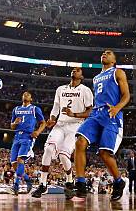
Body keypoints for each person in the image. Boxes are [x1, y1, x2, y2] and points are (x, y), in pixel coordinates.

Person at [73, 49, 131, 202]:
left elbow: (126, 95)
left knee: (105, 154)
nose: (105, 54)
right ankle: (80, 183)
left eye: (109, 53)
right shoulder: (96, 78)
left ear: (114, 60)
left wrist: (117, 108)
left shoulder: (118, 72)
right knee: (80, 142)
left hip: (111, 115)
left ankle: (119, 181)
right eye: (103, 53)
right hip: (96, 114)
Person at [31, 67, 93, 199]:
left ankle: (70, 181)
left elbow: (90, 112)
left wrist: (74, 114)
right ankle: (42, 184)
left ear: (81, 77)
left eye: (78, 70)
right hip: (60, 124)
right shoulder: (60, 89)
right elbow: (55, 108)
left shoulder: (85, 90)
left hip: (76, 126)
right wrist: (52, 119)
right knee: (48, 149)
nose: (74, 70)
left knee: (64, 156)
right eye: (74, 69)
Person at [9, 91, 46, 195]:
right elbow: (12, 126)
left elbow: (43, 123)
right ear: (22, 97)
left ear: (31, 99)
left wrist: (37, 132)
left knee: (20, 159)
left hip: (27, 137)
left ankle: (15, 186)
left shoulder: (34, 109)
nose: (25, 95)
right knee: (14, 163)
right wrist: (15, 123)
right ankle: (27, 179)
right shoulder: (16, 109)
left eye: (28, 94)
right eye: (24, 94)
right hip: (17, 136)